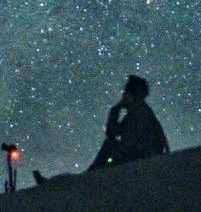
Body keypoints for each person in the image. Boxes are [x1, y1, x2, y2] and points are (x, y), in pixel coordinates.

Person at [34, 74, 169, 185]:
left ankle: (78, 178)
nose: (123, 95)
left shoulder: (139, 113)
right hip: (136, 157)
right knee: (107, 149)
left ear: (131, 93)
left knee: (104, 156)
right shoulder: (136, 112)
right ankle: (72, 178)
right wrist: (115, 111)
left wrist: (112, 159)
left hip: (140, 160)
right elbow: (112, 134)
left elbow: (131, 143)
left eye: (125, 92)